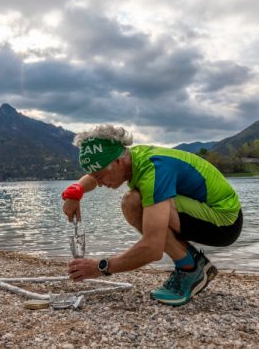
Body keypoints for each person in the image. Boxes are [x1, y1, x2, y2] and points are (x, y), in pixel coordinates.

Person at [62, 125, 243, 306]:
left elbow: (152, 249)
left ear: (118, 162)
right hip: (206, 211)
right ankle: (191, 264)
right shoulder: (131, 157)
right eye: (96, 177)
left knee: (133, 202)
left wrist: (100, 267)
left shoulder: (154, 170)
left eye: (100, 176)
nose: (99, 184)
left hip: (225, 223)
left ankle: (191, 268)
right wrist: (74, 193)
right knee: (133, 202)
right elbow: (93, 175)